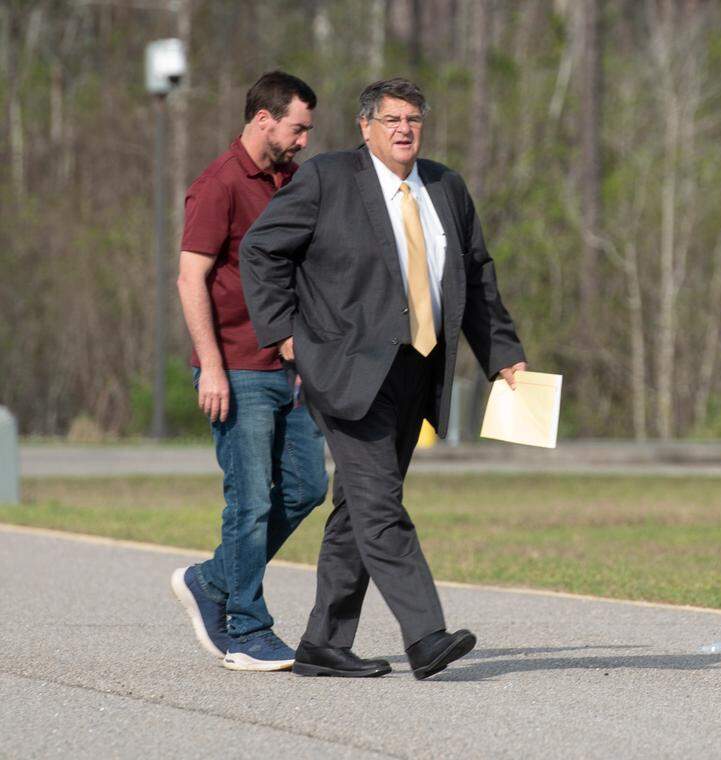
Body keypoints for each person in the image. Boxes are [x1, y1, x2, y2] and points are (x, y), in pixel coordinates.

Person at [240, 77, 526, 679]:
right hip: (344, 369)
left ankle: (323, 642)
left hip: (418, 372)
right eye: (392, 118)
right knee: (378, 504)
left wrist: (502, 352)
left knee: (358, 508)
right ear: (364, 126)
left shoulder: (446, 186)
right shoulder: (327, 178)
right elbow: (262, 249)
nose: (404, 128)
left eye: (414, 118)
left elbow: (476, 275)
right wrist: (284, 332)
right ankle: (425, 635)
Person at [170, 71, 328, 672]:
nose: (305, 140)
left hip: (288, 366)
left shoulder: (290, 181)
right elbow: (191, 278)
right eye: (299, 127)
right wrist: (210, 366)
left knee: (308, 486)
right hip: (234, 366)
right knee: (250, 500)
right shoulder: (219, 185)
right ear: (265, 119)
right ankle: (245, 630)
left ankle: (212, 579)